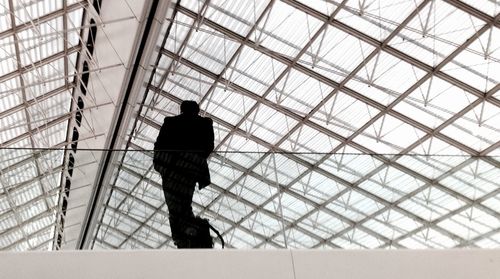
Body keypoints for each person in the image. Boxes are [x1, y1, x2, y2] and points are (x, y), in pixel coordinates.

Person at [153, 100, 214, 248]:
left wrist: (163, 163)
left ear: (181, 109)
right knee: (182, 202)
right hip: (189, 167)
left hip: (171, 168)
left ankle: (183, 236)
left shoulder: (171, 122)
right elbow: (209, 146)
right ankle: (185, 235)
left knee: (174, 204)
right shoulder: (205, 123)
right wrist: (195, 158)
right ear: (197, 110)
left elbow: (159, 145)